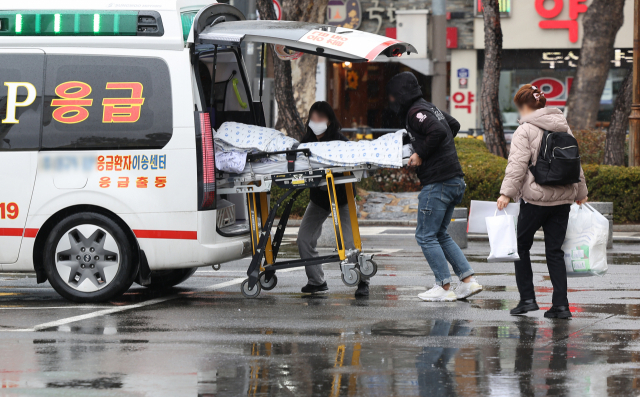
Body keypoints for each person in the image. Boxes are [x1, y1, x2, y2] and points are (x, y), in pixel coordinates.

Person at [386, 72, 482, 302]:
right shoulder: (428, 107)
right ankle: (468, 282)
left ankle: (443, 285)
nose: (391, 101)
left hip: (438, 182)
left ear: (400, 94)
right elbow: (452, 125)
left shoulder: (415, 111)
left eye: (393, 96)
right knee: (439, 233)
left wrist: (421, 152)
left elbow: (439, 131)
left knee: (426, 235)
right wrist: (435, 148)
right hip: (453, 180)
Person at [498, 84, 588, 319]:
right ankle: (561, 305)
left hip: (536, 199)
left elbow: (517, 165)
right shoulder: (564, 127)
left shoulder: (525, 129)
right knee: (555, 252)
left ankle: (527, 299)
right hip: (562, 199)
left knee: (520, 247)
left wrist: (506, 193)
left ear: (525, 106)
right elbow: (576, 162)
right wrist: (581, 192)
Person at [297, 101, 369, 297]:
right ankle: (316, 281)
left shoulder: (340, 142)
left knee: (349, 243)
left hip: (343, 197)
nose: (316, 121)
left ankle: (362, 281)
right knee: (304, 238)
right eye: (313, 117)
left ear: (329, 121)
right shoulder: (306, 143)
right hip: (319, 199)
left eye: (321, 118)